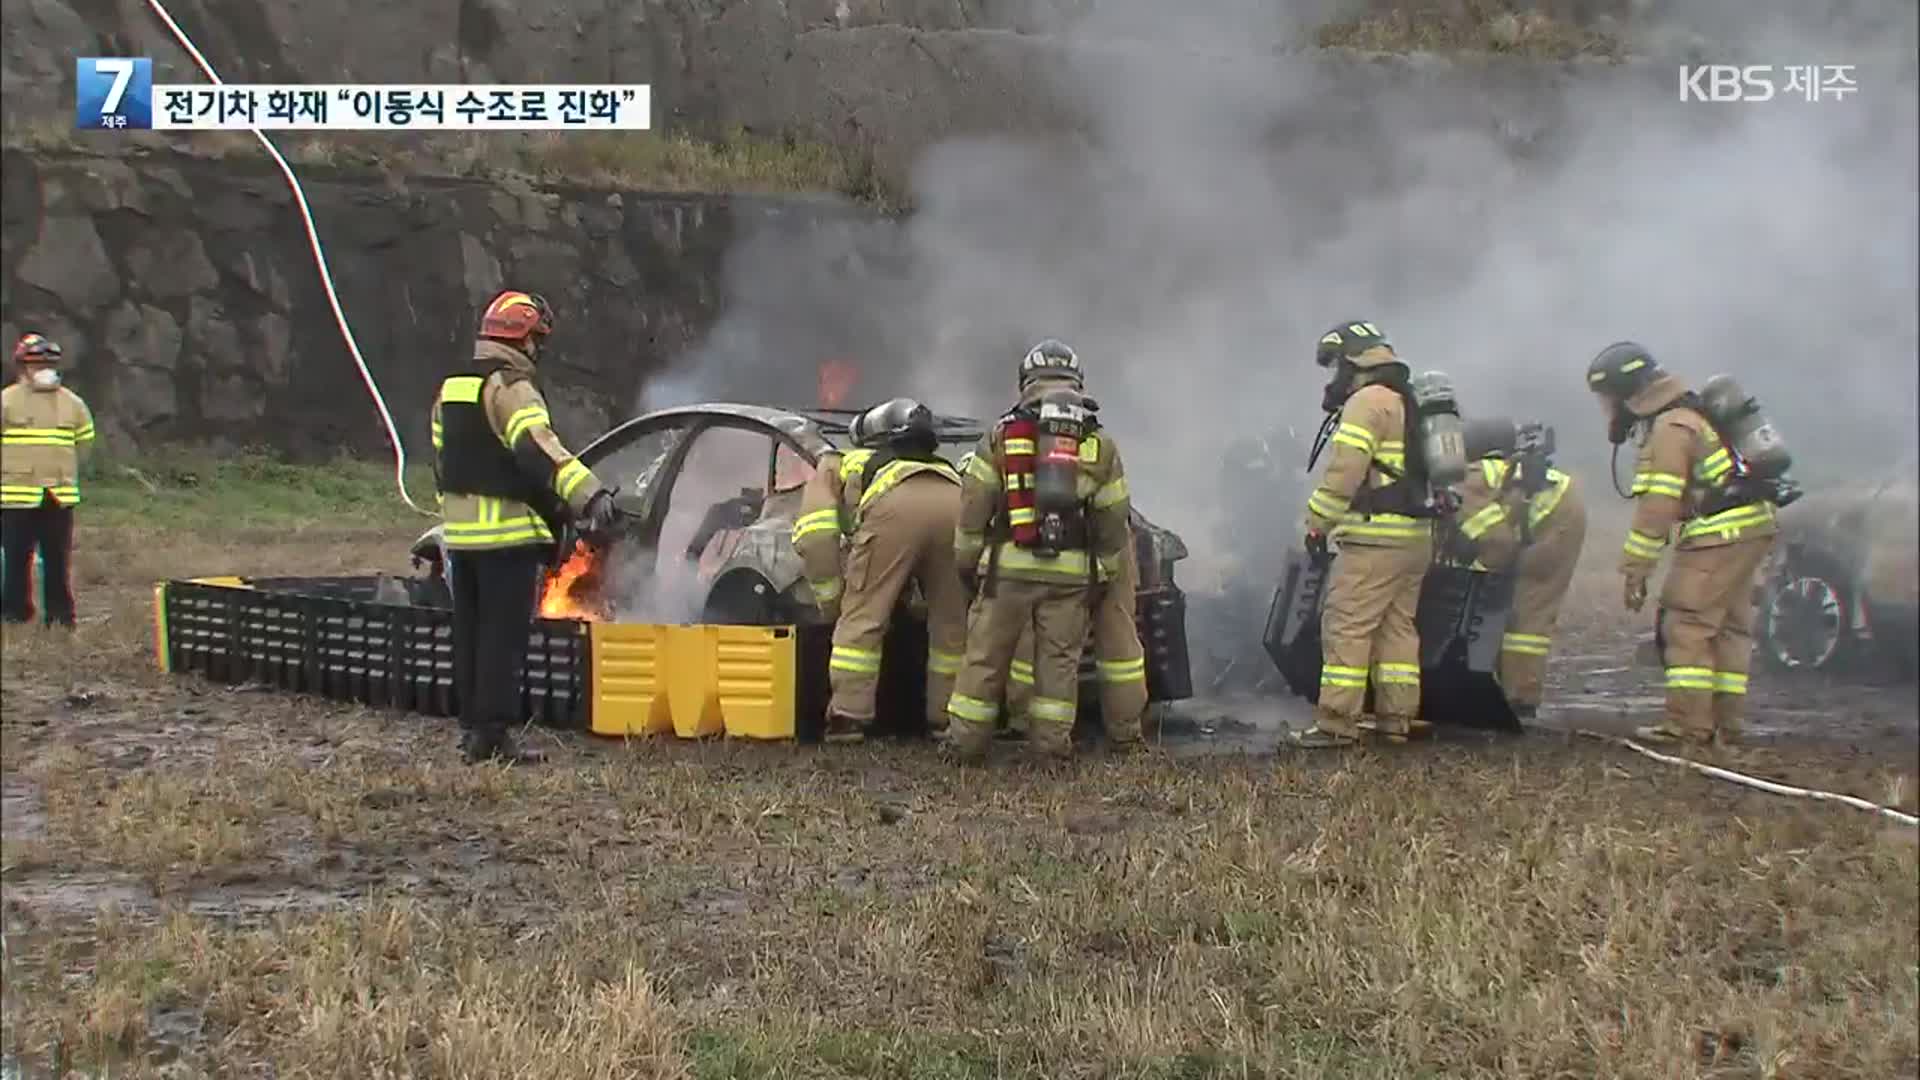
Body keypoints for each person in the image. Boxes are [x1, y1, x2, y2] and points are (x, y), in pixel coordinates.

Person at [431, 290, 618, 764]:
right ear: (523, 337)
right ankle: (494, 738)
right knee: (502, 639)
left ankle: (473, 730)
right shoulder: (511, 386)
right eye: (538, 338)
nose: (539, 348)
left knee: (471, 635)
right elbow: (540, 449)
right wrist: (590, 495)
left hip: (460, 536)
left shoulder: (454, 385)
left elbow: (441, 457)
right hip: (506, 536)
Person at [945, 339, 1132, 763]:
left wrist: (967, 562)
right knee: (1058, 663)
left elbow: (975, 505)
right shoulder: (1099, 443)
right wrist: (1105, 568)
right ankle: (1050, 750)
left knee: (985, 658)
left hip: (1006, 570)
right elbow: (1112, 515)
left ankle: (965, 745)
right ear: (1078, 381)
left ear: (1025, 381)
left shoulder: (1001, 434)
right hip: (1070, 575)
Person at [1587, 341, 1779, 746]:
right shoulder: (1689, 416)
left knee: (1688, 624)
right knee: (1729, 626)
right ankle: (1727, 723)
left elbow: (1658, 505)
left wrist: (1636, 568)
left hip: (1719, 534)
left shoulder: (1671, 427)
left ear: (1626, 393)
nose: (1605, 410)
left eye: (1606, 399)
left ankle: (1688, 725)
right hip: (1751, 527)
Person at [790, 396, 967, 743]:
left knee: (863, 617)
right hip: (954, 502)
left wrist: (833, 599)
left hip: (893, 511)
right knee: (952, 622)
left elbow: (815, 533)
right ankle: (946, 718)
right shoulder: (942, 464)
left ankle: (848, 716)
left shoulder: (838, 463)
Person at [1295, 320, 1436, 747]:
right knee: (1397, 628)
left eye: (1334, 365)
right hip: (1415, 538)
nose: (1333, 377)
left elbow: (1345, 471)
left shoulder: (1367, 402)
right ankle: (1395, 719)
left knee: (1347, 626)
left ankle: (1336, 723)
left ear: (1350, 361)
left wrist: (1317, 523)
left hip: (1375, 540)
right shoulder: (1408, 400)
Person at [1450, 418, 1588, 720]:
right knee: (1512, 603)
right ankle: (1507, 686)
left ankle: (1519, 698)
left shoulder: (1467, 482)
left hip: (1556, 524)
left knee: (1528, 610)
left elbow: (1498, 545)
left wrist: (1475, 578)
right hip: (1556, 513)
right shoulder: (1494, 473)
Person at [1005, 515, 1149, 752]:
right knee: (1118, 630)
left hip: (1043, 535)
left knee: (1043, 633)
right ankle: (1126, 732)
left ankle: (1030, 726)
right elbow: (1113, 497)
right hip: (1109, 532)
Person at [1, 333, 95, 628]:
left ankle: (60, 618)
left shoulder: (72, 404)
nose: (43, 369)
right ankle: (14, 614)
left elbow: (85, 442)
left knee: (57, 562)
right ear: (22, 368)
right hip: (16, 498)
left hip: (58, 496)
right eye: (35, 363)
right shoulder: (7, 401)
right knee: (16, 561)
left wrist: (66, 473)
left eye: (48, 363)